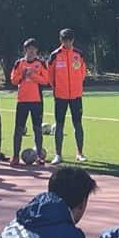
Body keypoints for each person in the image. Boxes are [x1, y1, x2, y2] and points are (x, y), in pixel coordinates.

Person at [48, 28, 88, 164]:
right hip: (60, 96)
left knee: (78, 124)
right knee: (59, 125)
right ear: (61, 40)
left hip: (76, 96)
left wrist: (77, 87)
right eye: (65, 40)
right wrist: (57, 89)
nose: (67, 42)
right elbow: (50, 76)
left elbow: (83, 73)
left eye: (70, 40)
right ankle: (58, 155)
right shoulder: (55, 55)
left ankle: (80, 153)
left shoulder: (79, 54)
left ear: (73, 40)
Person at [9, 38, 49, 166]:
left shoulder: (41, 63)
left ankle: (39, 156)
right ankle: (15, 156)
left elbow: (46, 80)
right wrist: (22, 75)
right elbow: (13, 80)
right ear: (25, 50)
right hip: (22, 101)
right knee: (18, 129)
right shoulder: (19, 63)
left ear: (36, 50)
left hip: (36, 101)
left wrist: (33, 76)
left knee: (37, 129)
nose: (31, 51)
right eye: (29, 49)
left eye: (33, 49)